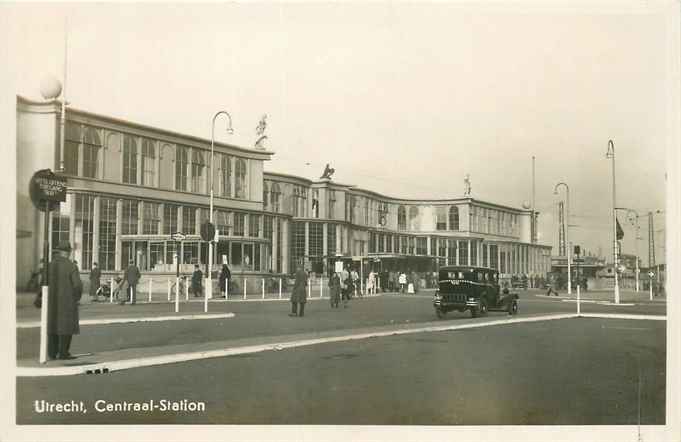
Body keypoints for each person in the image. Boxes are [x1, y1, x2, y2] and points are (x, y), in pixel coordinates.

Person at [47, 241, 83, 360]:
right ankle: (63, 353)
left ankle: (52, 353)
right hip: (67, 301)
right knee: (66, 327)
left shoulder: (50, 265)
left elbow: (43, 283)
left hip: (52, 302)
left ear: (58, 251)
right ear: (68, 252)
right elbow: (77, 285)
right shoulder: (71, 266)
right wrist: (76, 297)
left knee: (52, 325)